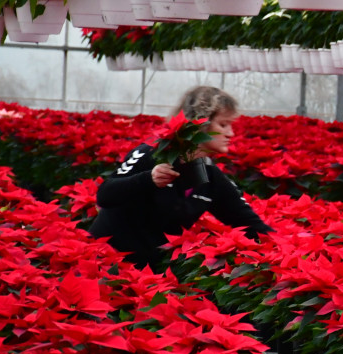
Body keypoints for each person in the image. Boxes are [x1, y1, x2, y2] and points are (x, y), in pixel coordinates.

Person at [89, 86, 271, 269]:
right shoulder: (151, 153)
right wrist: (148, 179)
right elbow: (105, 195)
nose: (231, 133)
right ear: (200, 124)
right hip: (102, 264)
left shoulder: (210, 176)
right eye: (223, 125)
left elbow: (249, 223)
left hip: (146, 273)